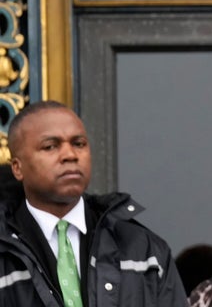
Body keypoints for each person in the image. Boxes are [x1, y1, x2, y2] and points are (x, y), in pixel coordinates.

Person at [0, 100, 188, 306]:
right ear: (17, 168)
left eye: (78, 144)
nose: (70, 155)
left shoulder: (143, 250)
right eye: (50, 146)